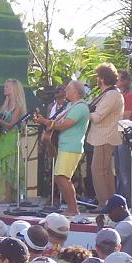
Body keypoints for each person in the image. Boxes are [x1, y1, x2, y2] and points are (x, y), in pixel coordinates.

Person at [35, 80, 90, 215]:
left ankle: (73, 208)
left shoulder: (81, 107)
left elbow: (64, 125)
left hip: (72, 147)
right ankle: (71, 207)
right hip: (64, 146)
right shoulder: (71, 105)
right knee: (60, 177)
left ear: (76, 92)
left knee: (62, 177)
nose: (65, 91)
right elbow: (58, 122)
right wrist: (47, 122)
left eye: (68, 89)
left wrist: (45, 122)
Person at [87, 63, 124, 209]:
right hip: (103, 137)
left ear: (102, 79)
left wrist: (84, 112)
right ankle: (111, 204)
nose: (97, 79)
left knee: (98, 171)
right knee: (106, 171)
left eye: (98, 77)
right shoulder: (108, 94)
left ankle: (104, 204)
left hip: (104, 137)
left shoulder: (112, 95)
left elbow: (97, 116)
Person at [0, 79, 27, 202]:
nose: (5, 89)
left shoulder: (18, 107)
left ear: (14, 89)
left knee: (8, 166)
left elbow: (11, 125)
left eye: (7, 87)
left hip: (11, 138)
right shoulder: (4, 105)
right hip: (1, 138)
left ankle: (8, 197)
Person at [114, 69, 132, 205]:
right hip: (116, 134)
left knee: (124, 171)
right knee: (117, 170)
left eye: (119, 79)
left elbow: (126, 115)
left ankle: (129, 201)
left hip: (125, 135)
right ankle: (120, 199)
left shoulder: (130, 96)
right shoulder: (118, 95)